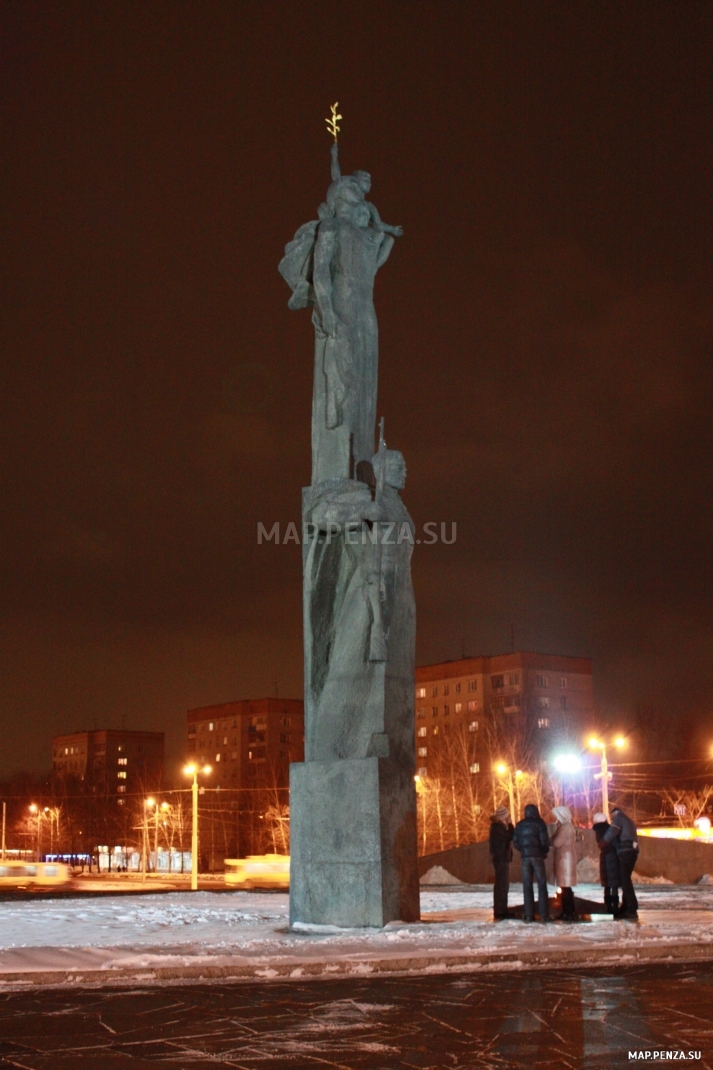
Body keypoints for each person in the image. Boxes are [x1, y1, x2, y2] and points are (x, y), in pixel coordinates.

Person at [513, 803, 551, 922]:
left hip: (525, 858)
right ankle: (543, 915)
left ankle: (529, 915)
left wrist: (524, 851)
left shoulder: (519, 825)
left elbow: (516, 843)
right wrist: (543, 852)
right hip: (538, 857)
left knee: (527, 886)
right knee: (541, 885)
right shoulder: (540, 823)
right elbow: (544, 842)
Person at [603, 805, 639, 919]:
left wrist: (603, 841)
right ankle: (626, 907)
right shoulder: (629, 820)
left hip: (626, 851)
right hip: (633, 851)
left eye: (612, 818)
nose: (612, 820)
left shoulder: (619, 818)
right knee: (626, 880)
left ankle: (632, 908)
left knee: (625, 881)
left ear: (614, 814)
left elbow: (612, 831)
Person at [550, 806, 578, 921]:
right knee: (566, 888)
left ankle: (568, 912)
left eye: (557, 816)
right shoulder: (566, 826)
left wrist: (549, 840)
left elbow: (556, 842)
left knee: (565, 887)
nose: (556, 819)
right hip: (566, 858)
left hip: (564, 860)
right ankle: (568, 911)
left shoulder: (564, 828)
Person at [592, 811, 622, 915]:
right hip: (612, 856)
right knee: (613, 882)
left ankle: (607, 905)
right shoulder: (609, 829)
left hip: (604, 856)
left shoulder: (598, 831)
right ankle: (615, 906)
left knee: (606, 884)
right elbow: (615, 842)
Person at [489, 806, 514, 920]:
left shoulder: (496, 827)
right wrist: (510, 825)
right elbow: (510, 836)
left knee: (502, 885)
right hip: (501, 859)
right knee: (502, 885)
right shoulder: (498, 827)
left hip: (500, 858)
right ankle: (500, 910)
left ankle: (501, 909)